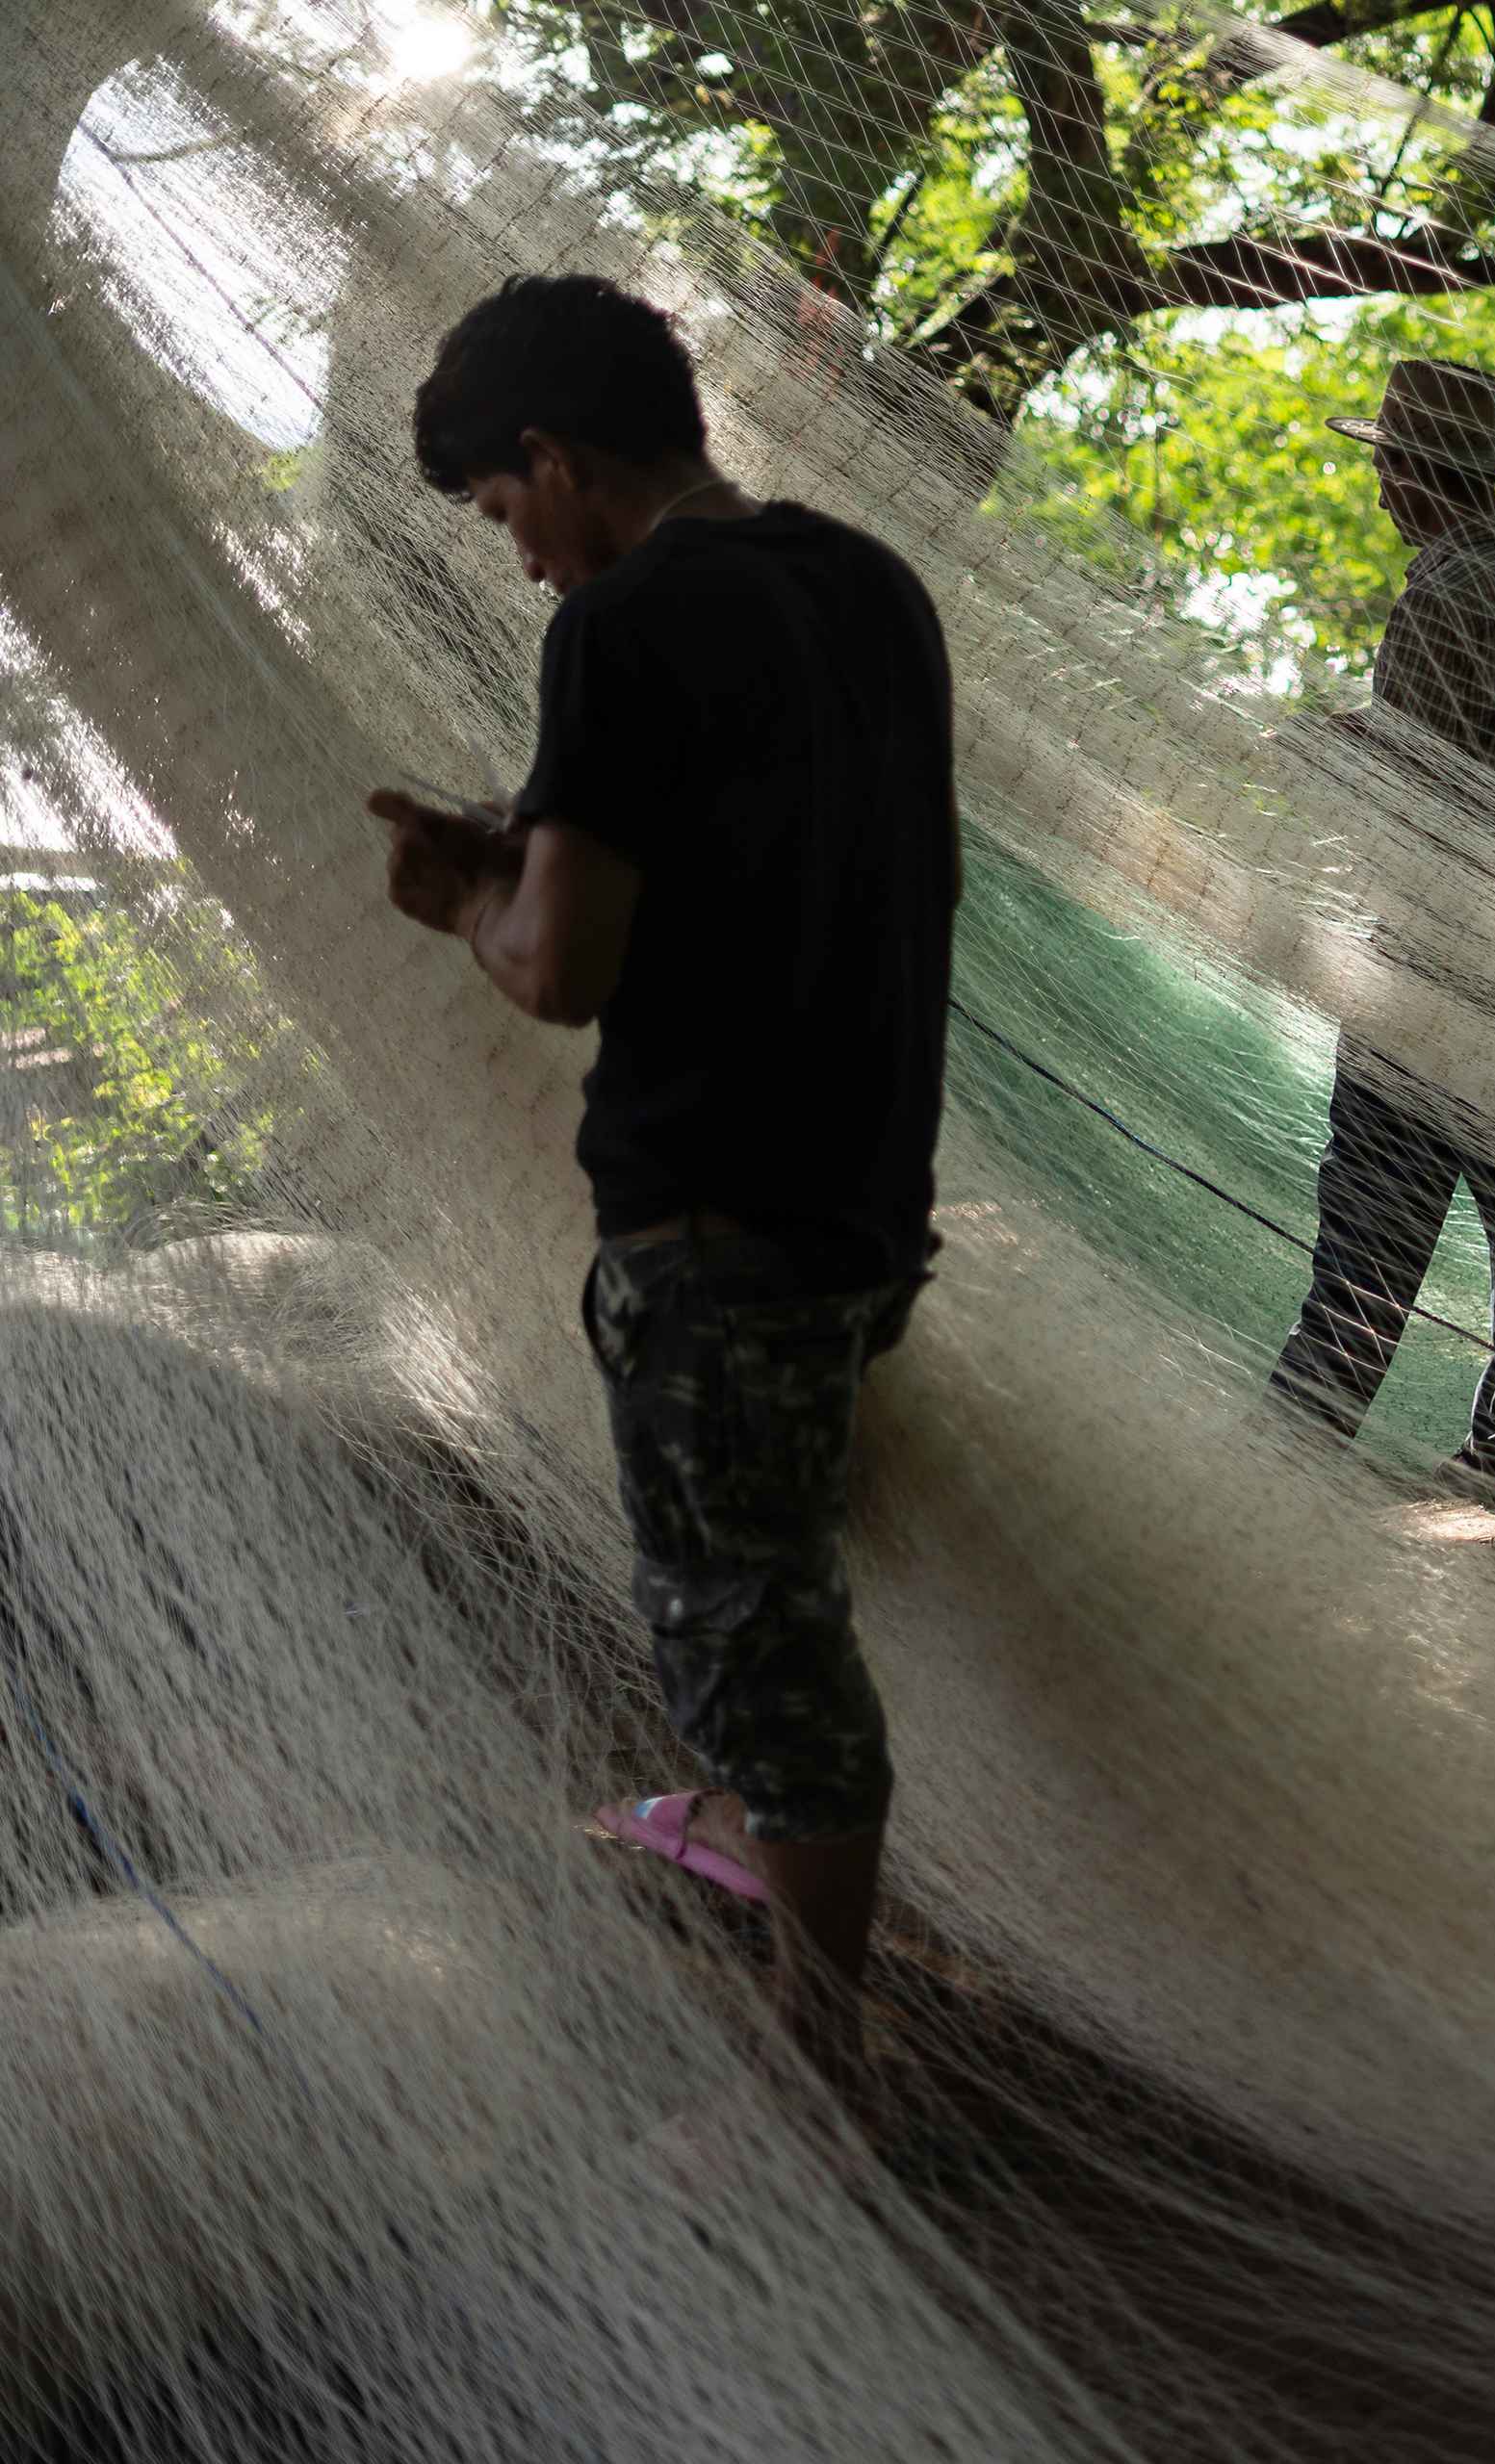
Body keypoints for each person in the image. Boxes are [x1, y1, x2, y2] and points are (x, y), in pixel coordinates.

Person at [374, 273, 959, 2091]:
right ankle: (752, 1867)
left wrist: (469, 894)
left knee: (748, 1631)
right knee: (770, 1581)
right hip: (865, 1194)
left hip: (713, 1215)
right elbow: (794, 859)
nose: (518, 561)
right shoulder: (869, 585)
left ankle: (822, 2066)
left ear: (552, 459)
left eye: (498, 514)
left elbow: (564, 970)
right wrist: (539, 854)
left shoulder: (622, 627)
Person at [1268, 359, 1495, 1498]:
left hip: (1434, 953)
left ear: (1415, 476)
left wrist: (1315, 749)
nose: (1375, 491)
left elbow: (1417, 780)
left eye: (1383, 467)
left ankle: (1304, 1436)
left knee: (1372, 1206)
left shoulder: (1439, 594)